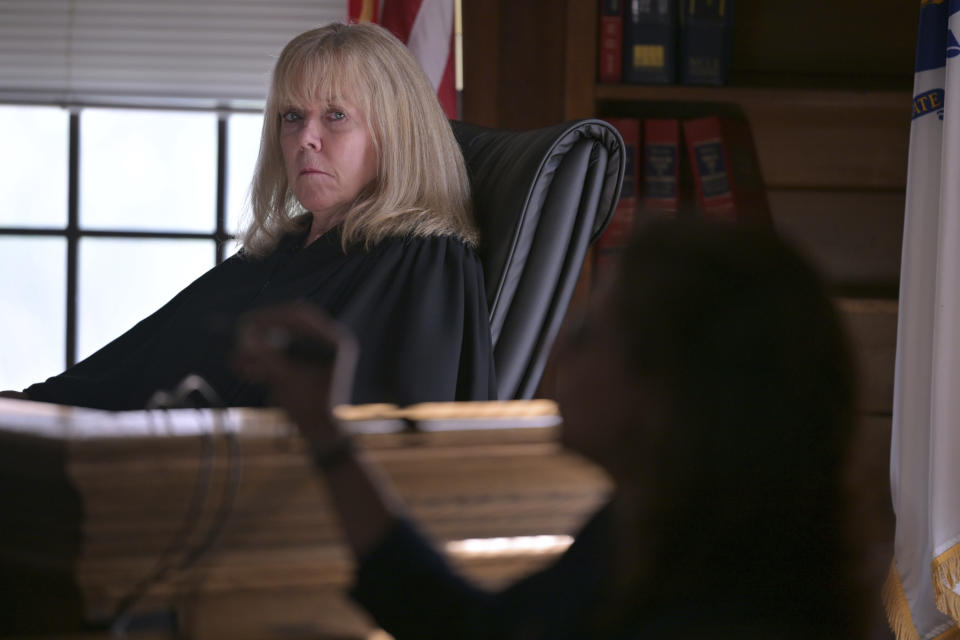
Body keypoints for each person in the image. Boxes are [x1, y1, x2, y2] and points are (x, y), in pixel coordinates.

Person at [234, 218, 881, 640]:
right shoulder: (638, 532)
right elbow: (472, 629)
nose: (553, 358)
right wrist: (322, 423)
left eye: (585, 336)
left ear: (664, 393)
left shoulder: (726, 619)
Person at [9, 22, 496, 410]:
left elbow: (372, 449)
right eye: (291, 116)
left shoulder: (425, 262)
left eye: (335, 116)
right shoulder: (272, 255)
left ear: (395, 135)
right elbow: (127, 369)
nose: (306, 136)